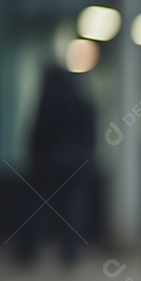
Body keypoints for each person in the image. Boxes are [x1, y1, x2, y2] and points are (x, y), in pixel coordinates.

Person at [18, 65, 96, 268]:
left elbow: (39, 130)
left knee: (40, 203)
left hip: (51, 161)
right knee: (74, 204)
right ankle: (71, 249)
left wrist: (35, 156)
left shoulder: (50, 98)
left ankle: (31, 247)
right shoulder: (80, 97)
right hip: (77, 162)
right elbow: (90, 131)